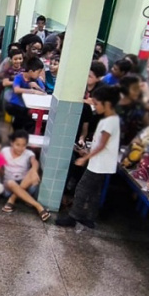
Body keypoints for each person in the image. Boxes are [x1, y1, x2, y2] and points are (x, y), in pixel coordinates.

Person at [56, 85, 121, 230]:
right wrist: (87, 152)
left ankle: (74, 216)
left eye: (97, 104)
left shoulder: (109, 122)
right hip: (103, 163)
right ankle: (89, 218)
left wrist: (84, 158)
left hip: (99, 164)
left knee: (82, 188)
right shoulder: (112, 119)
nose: (95, 107)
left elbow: (102, 145)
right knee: (94, 191)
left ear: (107, 104)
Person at [1, 130, 50, 221]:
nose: (20, 148)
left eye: (23, 145)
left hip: (25, 184)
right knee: (10, 182)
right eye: (17, 144)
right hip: (9, 187)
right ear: (12, 143)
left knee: (32, 171)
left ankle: (12, 199)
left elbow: (34, 162)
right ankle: (38, 206)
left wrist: (34, 171)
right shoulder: (5, 151)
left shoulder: (28, 153)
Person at [5, 58, 46, 132]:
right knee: (24, 118)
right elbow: (16, 89)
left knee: (30, 119)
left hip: (29, 107)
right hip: (16, 104)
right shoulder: (19, 77)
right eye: (38, 72)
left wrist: (37, 87)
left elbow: (43, 91)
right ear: (31, 71)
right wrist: (32, 91)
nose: (39, 74)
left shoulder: (36, 80)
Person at [116, 75, 149, 146]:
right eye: (134, 89)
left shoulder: (138, 107)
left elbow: (148, 125)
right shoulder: (112, 101)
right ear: (125, 88)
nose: (138, 92)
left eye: (139, 88)